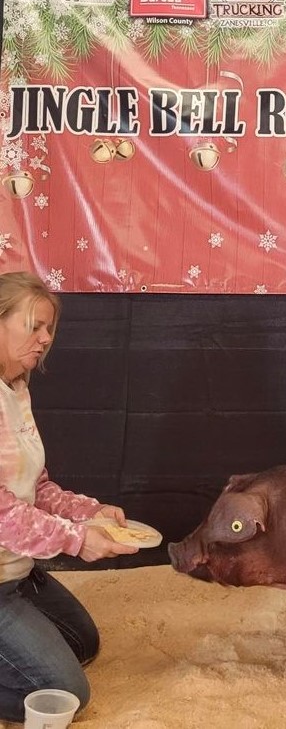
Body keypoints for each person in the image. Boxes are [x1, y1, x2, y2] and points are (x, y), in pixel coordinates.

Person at [0, 271, 138, 724]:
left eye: (49, 329)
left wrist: (91, 512)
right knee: (66, 693)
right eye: (33, 326)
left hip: (16, 571)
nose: (44, 339)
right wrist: (79, 539)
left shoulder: (17, 388)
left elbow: (35, 486)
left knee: (83, 643)